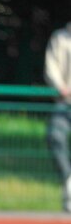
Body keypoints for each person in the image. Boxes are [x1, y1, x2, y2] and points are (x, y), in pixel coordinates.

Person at [44, 22, 71, 212]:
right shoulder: (60, 38)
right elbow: (51, 67)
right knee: (55, 136)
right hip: (64, 103)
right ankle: (68, 179)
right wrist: (60, 86)